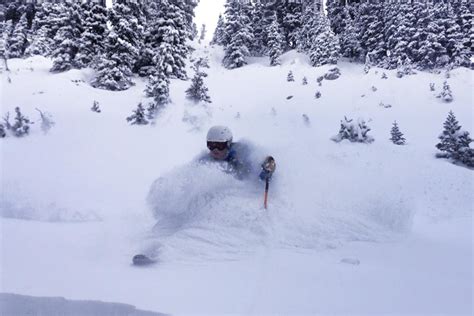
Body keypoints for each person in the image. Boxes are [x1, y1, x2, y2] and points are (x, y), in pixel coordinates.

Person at [198, 125, 276, 181]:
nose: (215, 149)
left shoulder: (241, 153)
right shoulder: (205, 160)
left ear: (228, 144)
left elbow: (257, 172)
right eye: (211, 145)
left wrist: (266, 168)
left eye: (220, 145)